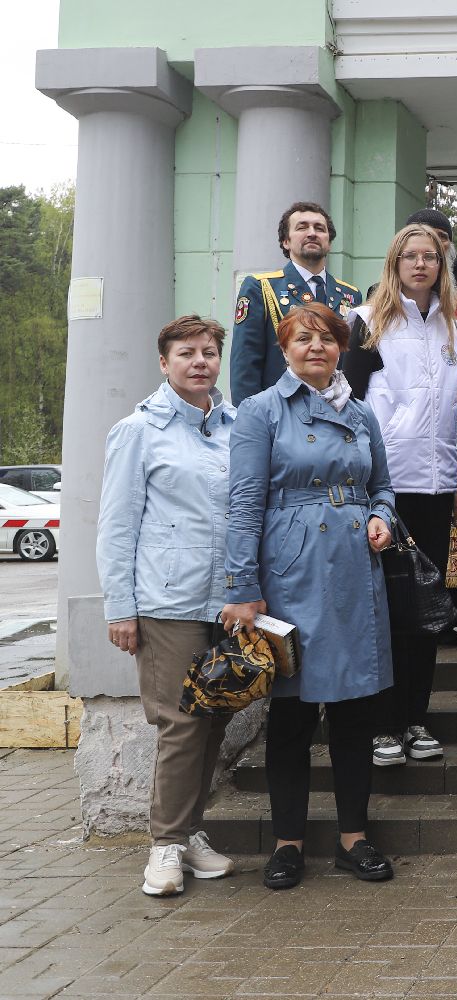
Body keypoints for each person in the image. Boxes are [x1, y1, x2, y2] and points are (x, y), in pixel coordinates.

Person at [220, 303, 397, 891]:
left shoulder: (363, 412)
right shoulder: (261, 411)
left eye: (325, 338)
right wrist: (243, 588)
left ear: (341, 347)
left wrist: (381, 518)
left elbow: (383, 487)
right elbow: (244, 503)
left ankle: (354, 838)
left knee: (352, 713)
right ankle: (289, 843)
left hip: (353, 572)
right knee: (292, 715)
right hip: (290, 575)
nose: (315, 347)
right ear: (285, 347)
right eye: (302, 338)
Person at [98, 316, 238, 897]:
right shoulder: (138, 431)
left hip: (228, 602)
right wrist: (120, 607)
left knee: (214, 720)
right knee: (181, 722)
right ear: (165, 363)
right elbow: (116, 524)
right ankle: (164, 846)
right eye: (187, 353)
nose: (200, 362)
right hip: (167, 600)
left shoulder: (237, 428)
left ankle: (190, 832)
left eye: (209, 352)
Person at [342, 223, 457, 768]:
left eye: (430, 257)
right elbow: (350, 403)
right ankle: (381, 724)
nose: (420, 265)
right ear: (394, 264)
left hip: (437, 487)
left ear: (442, 264)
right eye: (409, 257)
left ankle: (416, 718)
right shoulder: (367, 323)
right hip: (388, 488)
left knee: (426, 611)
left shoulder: (452, 326)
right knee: (387, 610)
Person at [230, 202, 361, 401]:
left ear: (329, 242)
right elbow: (245, 364)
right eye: (302, 227)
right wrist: (250, 420)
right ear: (286, 241)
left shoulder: (350, 295)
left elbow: (353, 365)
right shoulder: (261, 288)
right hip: (280, 414)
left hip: (336, 414)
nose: (312, 233)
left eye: (320, 228)